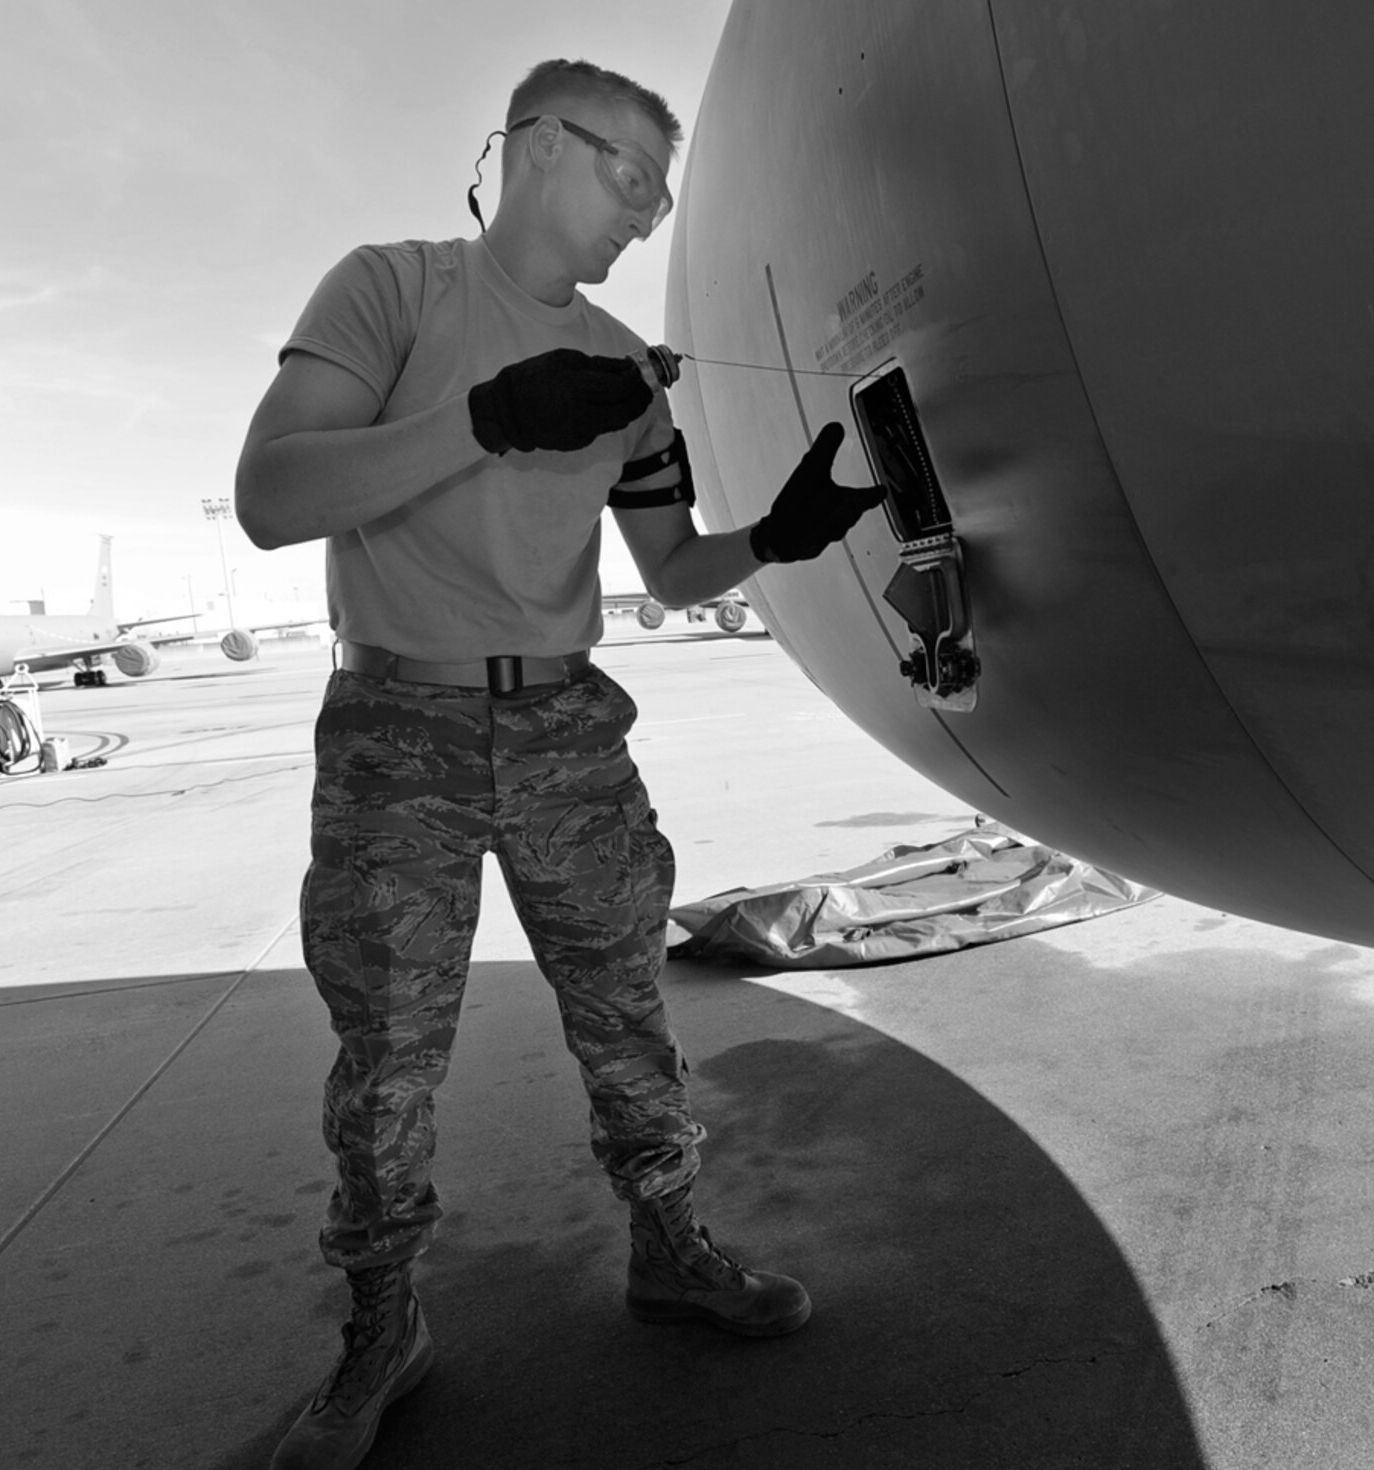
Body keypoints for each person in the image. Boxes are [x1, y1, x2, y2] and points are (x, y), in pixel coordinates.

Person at [235, 58, 885, 1470]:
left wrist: (776, 538)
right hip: (396, 727)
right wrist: (478, 418)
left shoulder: (616, 377)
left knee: (626, 1006)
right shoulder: (390, 291)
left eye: (662, 193)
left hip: (563, 726)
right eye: (633, 179)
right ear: (537, 148)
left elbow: (667, 569)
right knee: (390, 1054)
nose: (648, 217)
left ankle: (669, 1244)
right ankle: (380, 1322)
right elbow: (271, 498)